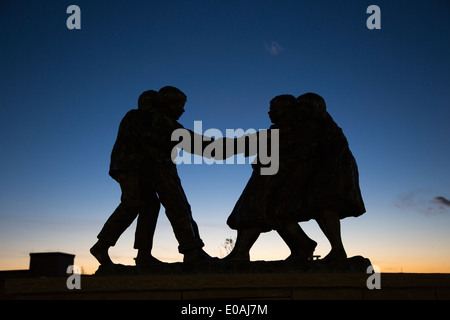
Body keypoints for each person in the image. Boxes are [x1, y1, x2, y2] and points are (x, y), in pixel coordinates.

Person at [224, 93, 366, 263]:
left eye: (273, 109)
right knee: (274, 211)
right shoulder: (295, 130)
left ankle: (330, 249)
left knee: (265, 209)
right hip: (285, 181)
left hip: (311, 180)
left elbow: (305, 152)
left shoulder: (303, 130)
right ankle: (301, 246)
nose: (269, 113)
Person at [91, 86, 214, 266]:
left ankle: (143, 254)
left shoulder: (154, 119)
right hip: (132, 167)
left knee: (151, 205)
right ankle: (102, 246)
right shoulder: (147, 118)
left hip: (140, 168)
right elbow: (182, 140)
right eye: (179, 104)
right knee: (134, 203)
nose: (183, 109)